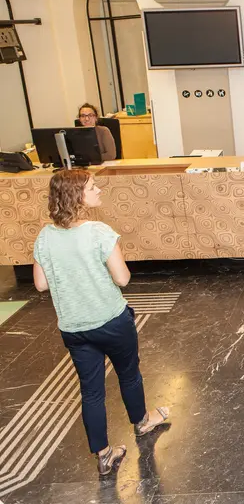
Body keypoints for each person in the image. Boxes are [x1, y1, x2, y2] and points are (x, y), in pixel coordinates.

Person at [32, 170, 169, 475]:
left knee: (90, 391)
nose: (99, 190)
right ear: (76, 196)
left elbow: (41, 284)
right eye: (93, 187)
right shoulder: (99, 232)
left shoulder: (45, 236)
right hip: (110, 320)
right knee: (129, 374)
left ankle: (104, 455)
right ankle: (142, 422)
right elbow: (122, 278)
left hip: (73, 327)